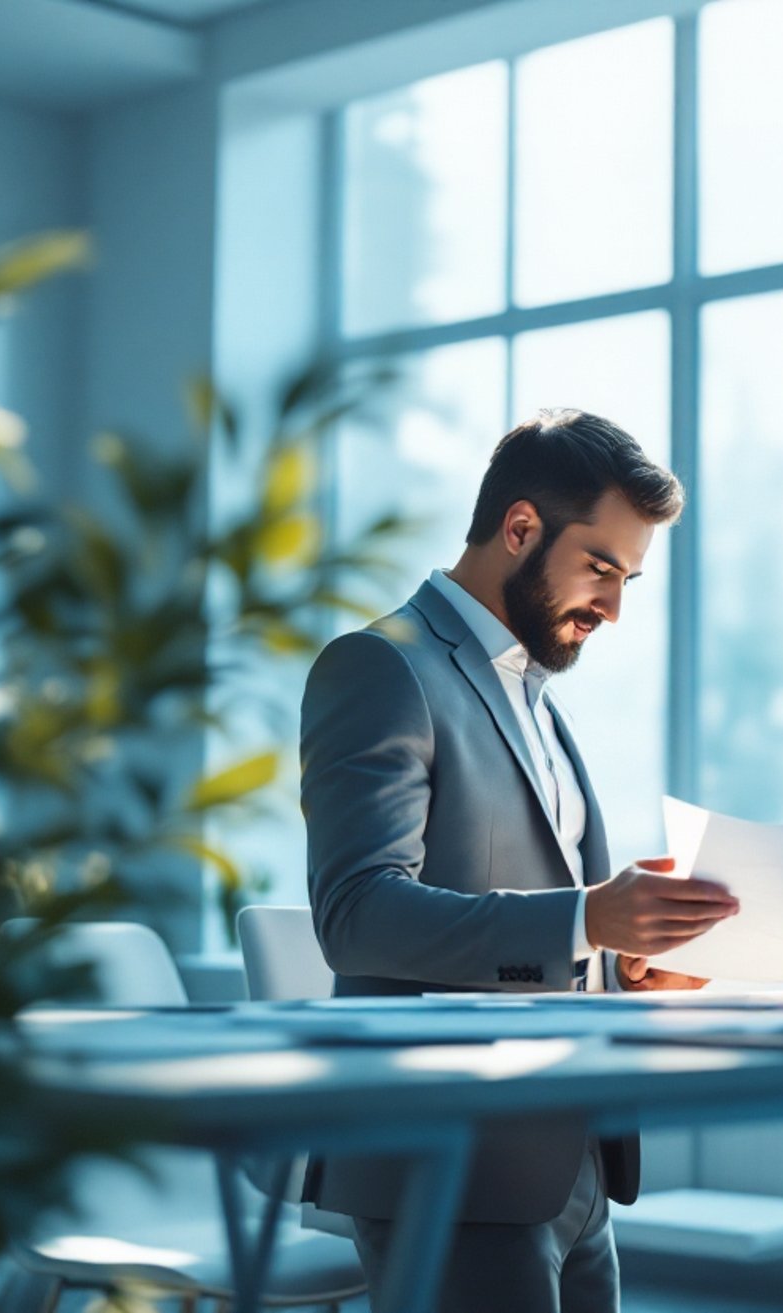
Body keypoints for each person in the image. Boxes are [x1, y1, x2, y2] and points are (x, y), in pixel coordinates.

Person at [298, 409, 736, 1313]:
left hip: (567, 1149)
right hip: (449, 1155)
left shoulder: (533, 690)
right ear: (521, 527)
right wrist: (586, 918)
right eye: (602, 568)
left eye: (629, 578)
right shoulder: (380, 666)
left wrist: (624, 959)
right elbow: (357, 914)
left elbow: (540, 911)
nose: (614, 606)